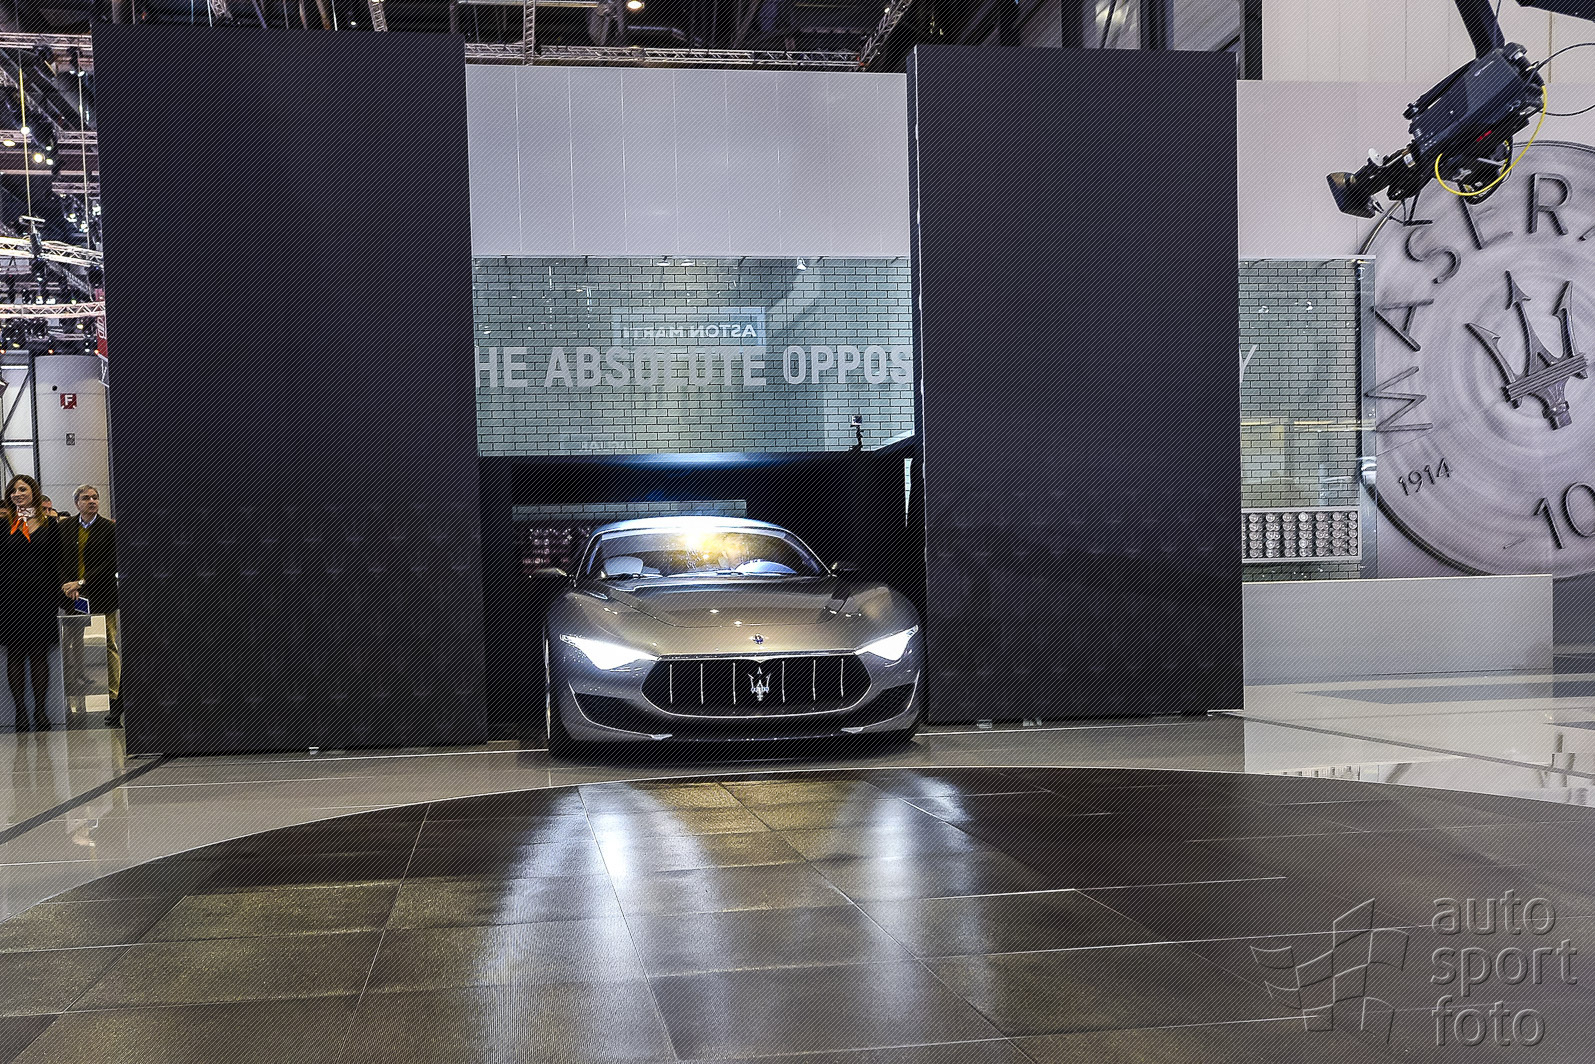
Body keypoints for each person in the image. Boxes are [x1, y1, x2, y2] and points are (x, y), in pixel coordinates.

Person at [0, 475, 62, 732]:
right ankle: (20, 712)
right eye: (13, 491)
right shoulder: (3, 525)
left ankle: (40, 710)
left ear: (33, 492)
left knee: (39, 653)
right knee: (14, 653)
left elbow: (57, 561)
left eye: (22, 489)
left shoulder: (51, 524)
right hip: (10, 598)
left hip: (42, 597)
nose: (17, 494)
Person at [60, 485, 121, 727]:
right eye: (86, 498)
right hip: (72, 596)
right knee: (71, 643)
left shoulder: (109, 528)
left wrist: (82, 582)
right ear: (77, 503)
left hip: (102, 595)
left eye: (95, 497)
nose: (92, 501)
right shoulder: (65, 527)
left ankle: (114, 697)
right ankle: (71, 690)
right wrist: (68, 584)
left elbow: (110, 562)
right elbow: (58, 559)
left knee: (108, 644)